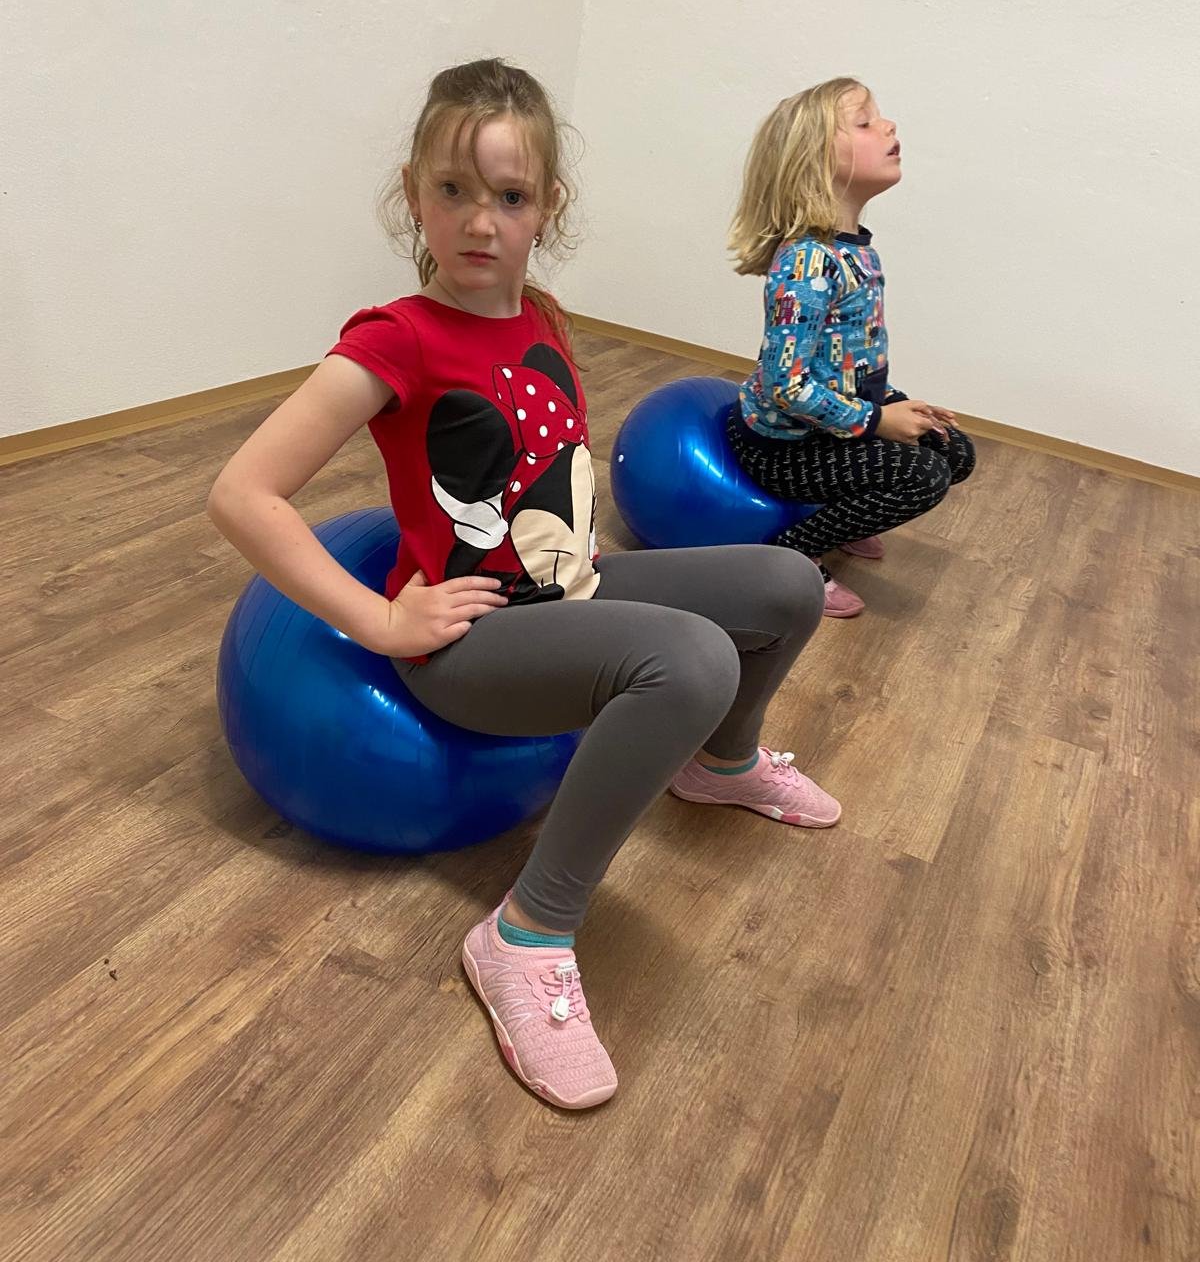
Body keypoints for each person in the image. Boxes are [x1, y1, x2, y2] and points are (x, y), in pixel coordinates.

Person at [207, 58, 838, 1111]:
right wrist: (382, 620)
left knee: (787, 584)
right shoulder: (395, 340)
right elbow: (242, 493)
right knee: (692, 660)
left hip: (570, 588)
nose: (480, 220)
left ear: (548, 204)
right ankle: (527, 932)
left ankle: (720, 763)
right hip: (474, 642)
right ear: (413, 194)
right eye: (453, 190)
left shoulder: (540, 313)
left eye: (509, 195)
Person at [727, 77, 976, 618]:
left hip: (833, 422)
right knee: (925, 477)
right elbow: (786, 386)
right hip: (784, 449)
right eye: (864, 122)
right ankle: (794, 554)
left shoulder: (855, 250)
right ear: (815, 162)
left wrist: (893, 404)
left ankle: (847, 514)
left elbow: (849, 359)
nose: (888, 126)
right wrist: (877, 421)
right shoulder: (806, 262)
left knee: (954, 451)